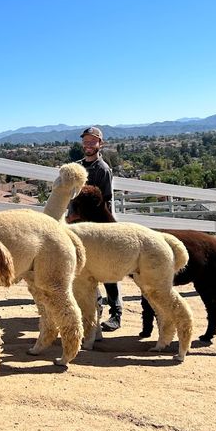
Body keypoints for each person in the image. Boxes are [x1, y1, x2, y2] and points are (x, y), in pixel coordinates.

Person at [76, 126, 123, 332]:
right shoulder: (77, 167)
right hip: (80, 227)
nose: (88, 145)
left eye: (92, 141)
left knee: (107, 271)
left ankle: (116, 313)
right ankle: (93, 307)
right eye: (86, 141)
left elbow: (104, 202)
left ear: (100, 144)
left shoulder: (102, 170)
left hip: (99, 228)